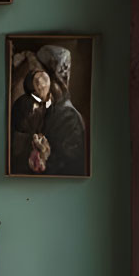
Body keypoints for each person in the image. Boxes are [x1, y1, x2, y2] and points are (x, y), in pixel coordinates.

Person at [36, 45, 85, 177]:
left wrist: (46, 156)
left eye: (44, 81)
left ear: (58, 82)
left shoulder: (70, 118)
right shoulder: (48, 111)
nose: (40, 87)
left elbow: (70, 167)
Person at [11, 66, 51, 174]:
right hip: (22, 150)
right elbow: (20, 131)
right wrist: (34, 140)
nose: (44, 87)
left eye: (45, 84)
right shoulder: (25, 104)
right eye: (40, 85)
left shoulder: (43, 104)